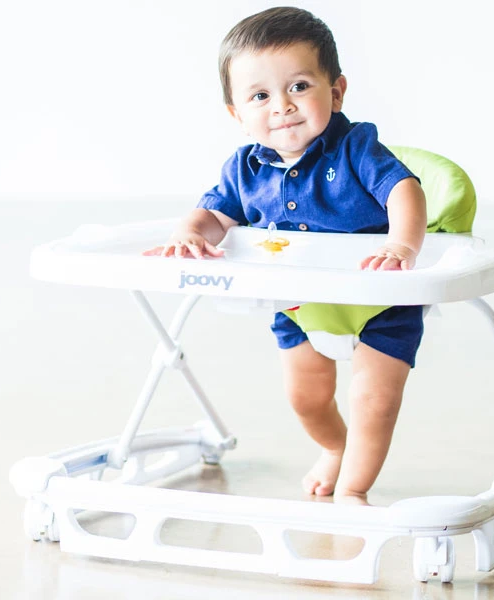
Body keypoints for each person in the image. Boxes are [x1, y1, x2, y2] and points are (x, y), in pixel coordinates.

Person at [148, 7, 427, 502]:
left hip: (378, 298)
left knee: (372, 399)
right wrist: (191, 234)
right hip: (298, 304)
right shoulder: (244, 167)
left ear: (336, 92)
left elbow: (404, 189)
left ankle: (354, 493)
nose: (282, 106)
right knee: (306, 399)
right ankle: (336, 449)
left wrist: (400, 245)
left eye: (299, 86)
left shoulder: (356, 146)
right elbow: (213, 216)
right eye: (260, 96)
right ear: (237, 113)